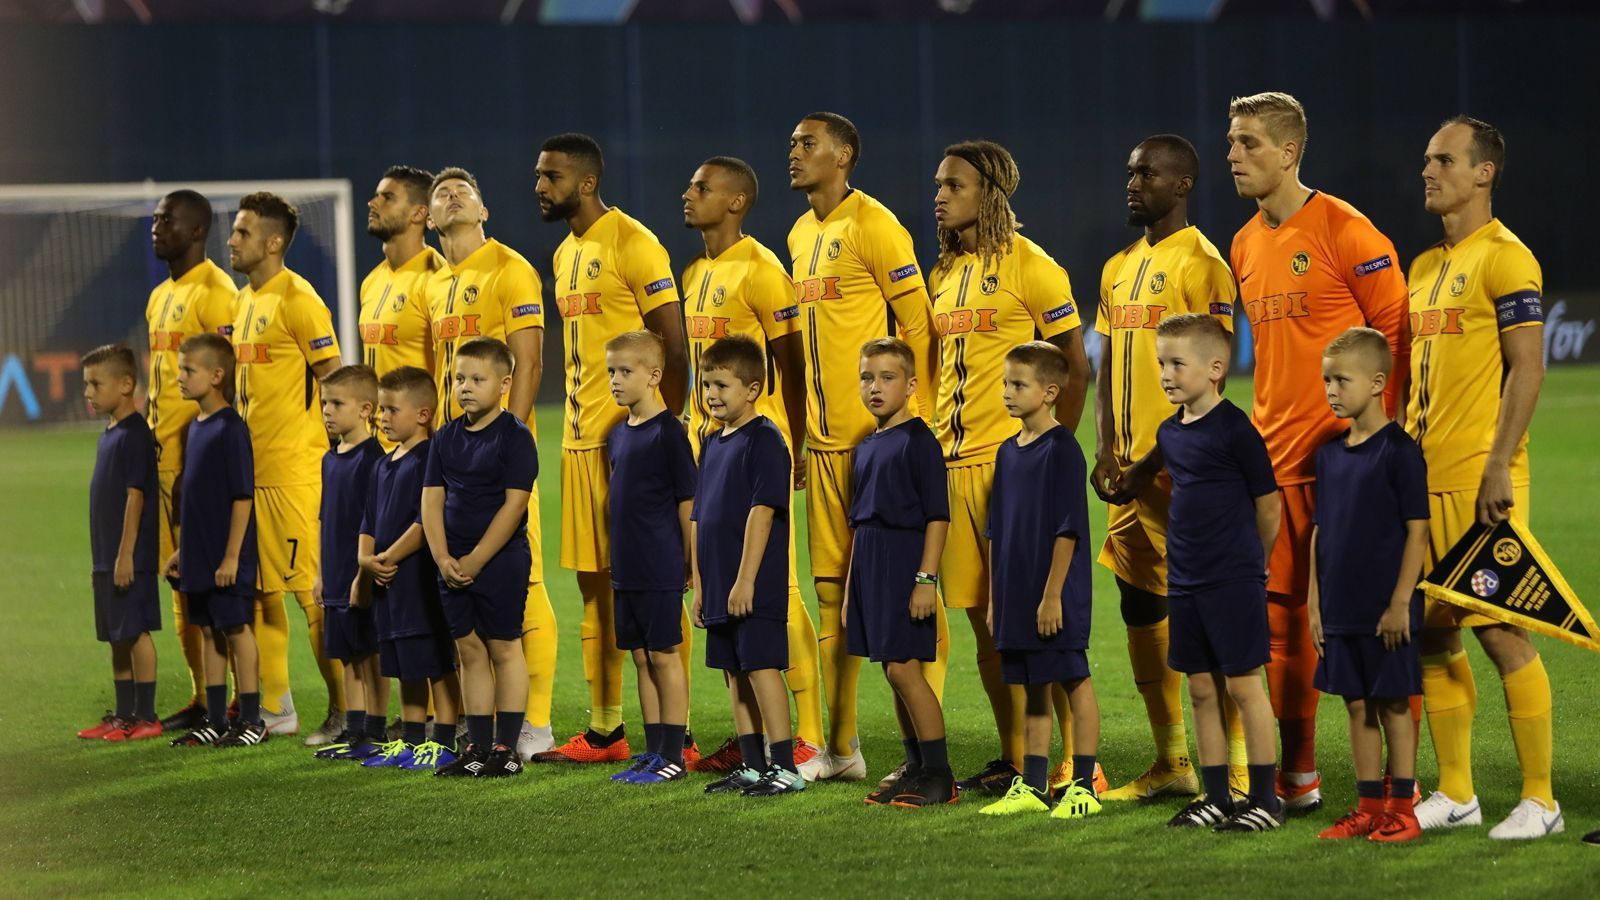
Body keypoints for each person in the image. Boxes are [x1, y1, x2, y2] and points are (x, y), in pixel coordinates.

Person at [1226, 92, 1410, 809]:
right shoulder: (1244, 243)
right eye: (1233, 143)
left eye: (1248, 144)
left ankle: (1399, 788)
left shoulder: (1345, 230)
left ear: (1289, 151)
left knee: (1367, 625)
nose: (1234, 157)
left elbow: (1396, 332)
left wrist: (1377, 443)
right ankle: (1297, 776)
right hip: (1274, 464)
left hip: (1347, 464)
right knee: (1278, 623)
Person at [1407, 116, 1561, 840]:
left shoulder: (1506, 258)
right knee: (1435, 633)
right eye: (1428, 160)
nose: (1429, 171)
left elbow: (1527, 366)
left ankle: (1541, 800)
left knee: (1501, 632)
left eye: (1444, 160)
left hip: (1479, 481)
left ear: (1483, 172)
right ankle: (1457, 791)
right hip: (1425, 479)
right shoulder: (1424, 266)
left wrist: (1500, 461)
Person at [927, 139, 1094, 797]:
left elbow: (1075, 365)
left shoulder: (1034, 268)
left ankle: (1078, 764)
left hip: (1011, 471)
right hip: (954, 465)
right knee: (987, 627)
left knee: (1032, 628)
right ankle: (1015, 757)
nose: (939, 195)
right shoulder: (945, 273)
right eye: (938, 185)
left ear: (989, 194)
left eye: (954, 185)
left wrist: (1052, 451)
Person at [787, 112, 945, 783]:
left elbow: (918, 323)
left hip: (881, 445)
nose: (794, 154)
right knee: (835, 600)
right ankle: (841, 747)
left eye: (808, 144)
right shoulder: (799, 233)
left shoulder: (874, 224)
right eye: (793, 144)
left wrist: (919, 421)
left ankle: (926, 753)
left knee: (912, 601)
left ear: (845, 155)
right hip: (825, 446)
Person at [1093, 135, 1248, 802]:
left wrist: (1161, 459)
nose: (1134, 182)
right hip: (1127, 476)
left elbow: (1214, 375)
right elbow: (1105, 371)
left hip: (1181, 474)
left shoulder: (1204, 263)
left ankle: (1239, 767)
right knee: (1139, 605)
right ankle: (1173, 760)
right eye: (1130, 171)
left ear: (1182, 184)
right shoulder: (1117, 265)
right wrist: (1104, 451)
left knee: (1207, 613)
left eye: (1148, 172)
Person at [535, 133, 692, 764]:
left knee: (657, 585)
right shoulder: (564, 252)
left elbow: (673, 344)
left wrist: (662, 428)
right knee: (597, 589)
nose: (540, 186)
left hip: (632, 447)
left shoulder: (635, 242)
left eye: (550, 176)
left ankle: (678, 733)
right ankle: (607, 728)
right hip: (579, 444)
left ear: (586, 182)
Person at [679, 155, 824, 770]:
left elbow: (791, 365)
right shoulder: (693, 272)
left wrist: (793, 442)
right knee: (723, 600)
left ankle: (808, 739)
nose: (688, 194)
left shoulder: (763, 271)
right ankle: (754, 747)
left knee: (775, 594)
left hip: (758, 446)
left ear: (736, 201)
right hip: (711, 444)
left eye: (702, 187)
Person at [1123, 314, 1283, 832]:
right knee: (1200, 689)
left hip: (1232, 579)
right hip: (1185, 581)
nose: (1166, 375)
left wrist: (1253, 564)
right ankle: (1216, 797)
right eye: (1161, 364)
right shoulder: (1170, 433)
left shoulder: (1237, 430)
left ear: (1215, 369)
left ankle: (1264, 799)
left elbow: (1269, 507)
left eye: (1176, 364)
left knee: (1244, 687)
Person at [425, 166, 557, 760]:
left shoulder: (511, 268)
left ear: (484, 211)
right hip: (454, 458)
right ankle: (477, 732)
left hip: (497, 454)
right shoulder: (435, 284)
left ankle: (534, 724)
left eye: (463, 190)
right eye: (440, 194)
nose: (451, 195)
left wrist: (509, 437)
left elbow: (527, 362)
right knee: (466, 608)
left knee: (520, 587)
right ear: (429, 220)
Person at [227, 191, 346, 744]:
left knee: (312, 596)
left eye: (243, 232)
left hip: (293, 474)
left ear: (274, 243)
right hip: (250, 474)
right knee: (257, 592)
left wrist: (339, 453)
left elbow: (336, 381)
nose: (232, 240)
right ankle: (275, 709)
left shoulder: (299, 299)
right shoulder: (243, 302)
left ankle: (347, 711)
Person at [1308, 328, 1428, 844]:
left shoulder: (1400, 452)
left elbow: (1417, 530)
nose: (1331, 390)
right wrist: (1314, 604)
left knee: (1394, 701)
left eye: (1342, 380)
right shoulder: (1330, 454)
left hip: (1387, 606)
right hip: (1339, 605)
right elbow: (1321, 530)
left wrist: (1401, 601)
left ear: (1378, 383)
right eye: (1327, 380)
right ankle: (1367, 807)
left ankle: (1402, 808)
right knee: (1355, 703)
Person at [977, 343, 1101, 821]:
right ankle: (1031, 783)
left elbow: (1067, 528)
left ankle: (1083, 784)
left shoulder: (1062, 449)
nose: (1007, 393)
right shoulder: (1008, 451)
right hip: (1015, 591)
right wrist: (994, 597)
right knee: (1031, 686)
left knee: (1073, 678)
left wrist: (1053, 595)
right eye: (1006, 383)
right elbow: (996, 527)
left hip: (1055, 592)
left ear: (1050, 393)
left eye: (1018, 385)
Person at [691, 335, 804, 796]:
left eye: (722, 385)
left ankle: (786, 768)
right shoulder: (712, 441)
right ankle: (754, 765)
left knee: (761, 667)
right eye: (706, 385)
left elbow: (762, 511)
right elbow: (700, 516)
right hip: (718, 581)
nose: (712, 394)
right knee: (733, 672)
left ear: (753, 388)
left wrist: (744, 580)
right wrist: (701, 586)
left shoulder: (766, 440)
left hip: (750, 583)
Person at [143, 189, 238, 734]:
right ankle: (204, 695)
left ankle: (248, 698)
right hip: (163, 461)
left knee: (215, 585)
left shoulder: (216, 292)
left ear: (196, 229)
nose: (156, 227)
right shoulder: (161, 296)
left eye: (167, 219)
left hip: (200, 460)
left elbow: (231, 378)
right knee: (178, 580)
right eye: (156, 219)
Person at [421, 338, 535, 778]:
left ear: (504, 384)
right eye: (459, 378)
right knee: (468, 651)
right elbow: (431, 499)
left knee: (504, 647)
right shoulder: (446, 436)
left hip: (499, 562)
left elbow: (513, 506)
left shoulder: (515, 436)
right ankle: (478, 748)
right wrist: (442, 556)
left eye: (477, 379)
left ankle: (506, 748)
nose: (465, 387)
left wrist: (476, 560)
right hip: (451, 565)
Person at [847, 338, 953, 808]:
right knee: (892, 671)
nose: (875, 387)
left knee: (906, 669)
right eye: (867, 378)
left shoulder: (918, 442)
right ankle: (915, 765)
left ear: (910, 385)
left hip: (904, 561)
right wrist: (854, 588)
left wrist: (925, 580)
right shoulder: (868, 445)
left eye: (887, 378)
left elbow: (937, 517)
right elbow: (861, 520)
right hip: (871, 563)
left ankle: (939, 774)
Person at [357, 366, 461, 771]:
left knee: (434, 659)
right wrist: (366, 560)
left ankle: (446, 739)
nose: (382, 418)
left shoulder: (428, 459)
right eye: (381, 410)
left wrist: (390, 558)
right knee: (404, 661)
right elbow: (368, 519)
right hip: (387, 581)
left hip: (415, 577)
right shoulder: (382, 463)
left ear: (422, 414)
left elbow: (425, 521)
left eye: (390, 410)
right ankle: (413, 739)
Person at [165, 334, 266, 748]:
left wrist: (230, 556)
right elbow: (195, 498)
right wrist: (184, 551)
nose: (180, 378)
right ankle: (214, 718)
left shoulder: (231, 428)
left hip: (227, 555)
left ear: (217, 375)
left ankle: (253, 719)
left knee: (236, 629)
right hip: (199, 553)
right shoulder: (194, 427)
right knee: (207, 630)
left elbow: (242, 495)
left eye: (189, 370)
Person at [604, 331, 696, 784]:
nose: (616, 381)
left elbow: (686, 503)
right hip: (627, 566)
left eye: (625, 371)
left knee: (664, 656)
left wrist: (691, 562)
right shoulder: (618, 433)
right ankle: (654, 749)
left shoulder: (669, 433)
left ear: (654, 375)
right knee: (640, 657)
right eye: (611, 372)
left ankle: (675, 754)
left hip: (660, 563)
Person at [77, 344, 162, 742]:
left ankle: (147, 715)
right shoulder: (109, 433)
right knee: (116, 634)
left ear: (126, 384)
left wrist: (126, 554)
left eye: (96, 383)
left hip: (129, 557)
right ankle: (125, 714)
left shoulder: (134, 434)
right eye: (86, 385)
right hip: (107, 556)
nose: (88, 393)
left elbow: (136, 496)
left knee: (136, 630)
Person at [310, 365, 388, 761]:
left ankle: (376, 729)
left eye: (336, 403)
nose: (327, 410)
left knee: (369, 654)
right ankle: (354, 730)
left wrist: (364, 574)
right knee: (347, 656)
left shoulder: (373, 458)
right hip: (335, 574)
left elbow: (372, 520)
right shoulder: (329, 457)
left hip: (359, 575)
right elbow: (326, 517)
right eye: (324, 402)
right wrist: (322, 574)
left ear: (365, 409)